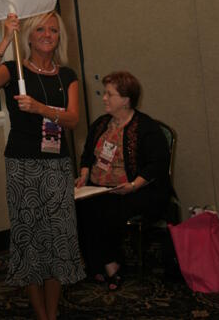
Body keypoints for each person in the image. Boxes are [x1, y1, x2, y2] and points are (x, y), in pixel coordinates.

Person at [0, 11, 85, 320]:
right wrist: (6, 38)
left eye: (53, 29)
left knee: (58, 241)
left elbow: (73, 119)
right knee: (32, 240)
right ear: (29, 36)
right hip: (23, 166)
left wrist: (39, 108)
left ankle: (53, 312)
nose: (48, 34)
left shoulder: (68, 76)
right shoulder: (14, 70)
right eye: (40, 29)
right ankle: (43, 316)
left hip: (58, 166)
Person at [75, 71, 172, 290]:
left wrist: (133, 186)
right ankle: (98, 264)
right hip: (99, 188)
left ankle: (110, 265)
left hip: (140, 190)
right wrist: (83, 175)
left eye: (110, 94)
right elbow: (87, 155)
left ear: (126, 99)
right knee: (80, 207)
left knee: (105, 208)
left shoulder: (146, 128)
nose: (104, 98)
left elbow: (157, 165)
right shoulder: (101, 124)